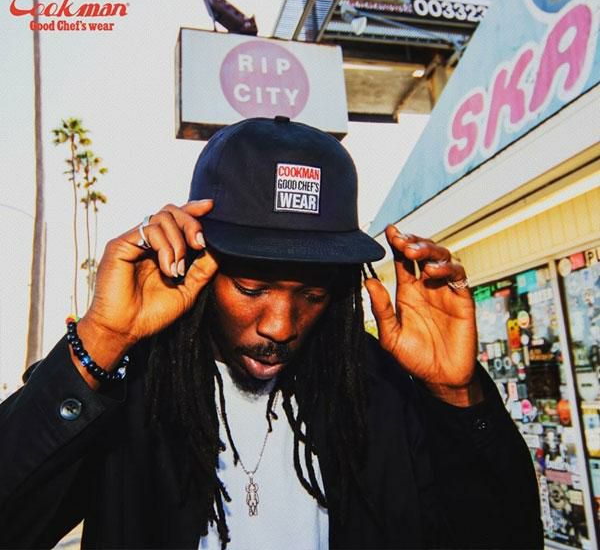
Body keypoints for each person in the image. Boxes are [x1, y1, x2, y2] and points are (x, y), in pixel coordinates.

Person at [0, 117, 542, 549]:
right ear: (199, 264)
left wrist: (455, 398)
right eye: (252, 287)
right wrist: (102, 338)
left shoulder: (372, 390)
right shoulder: (134, 387)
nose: (280, 326)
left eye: (313, 294)